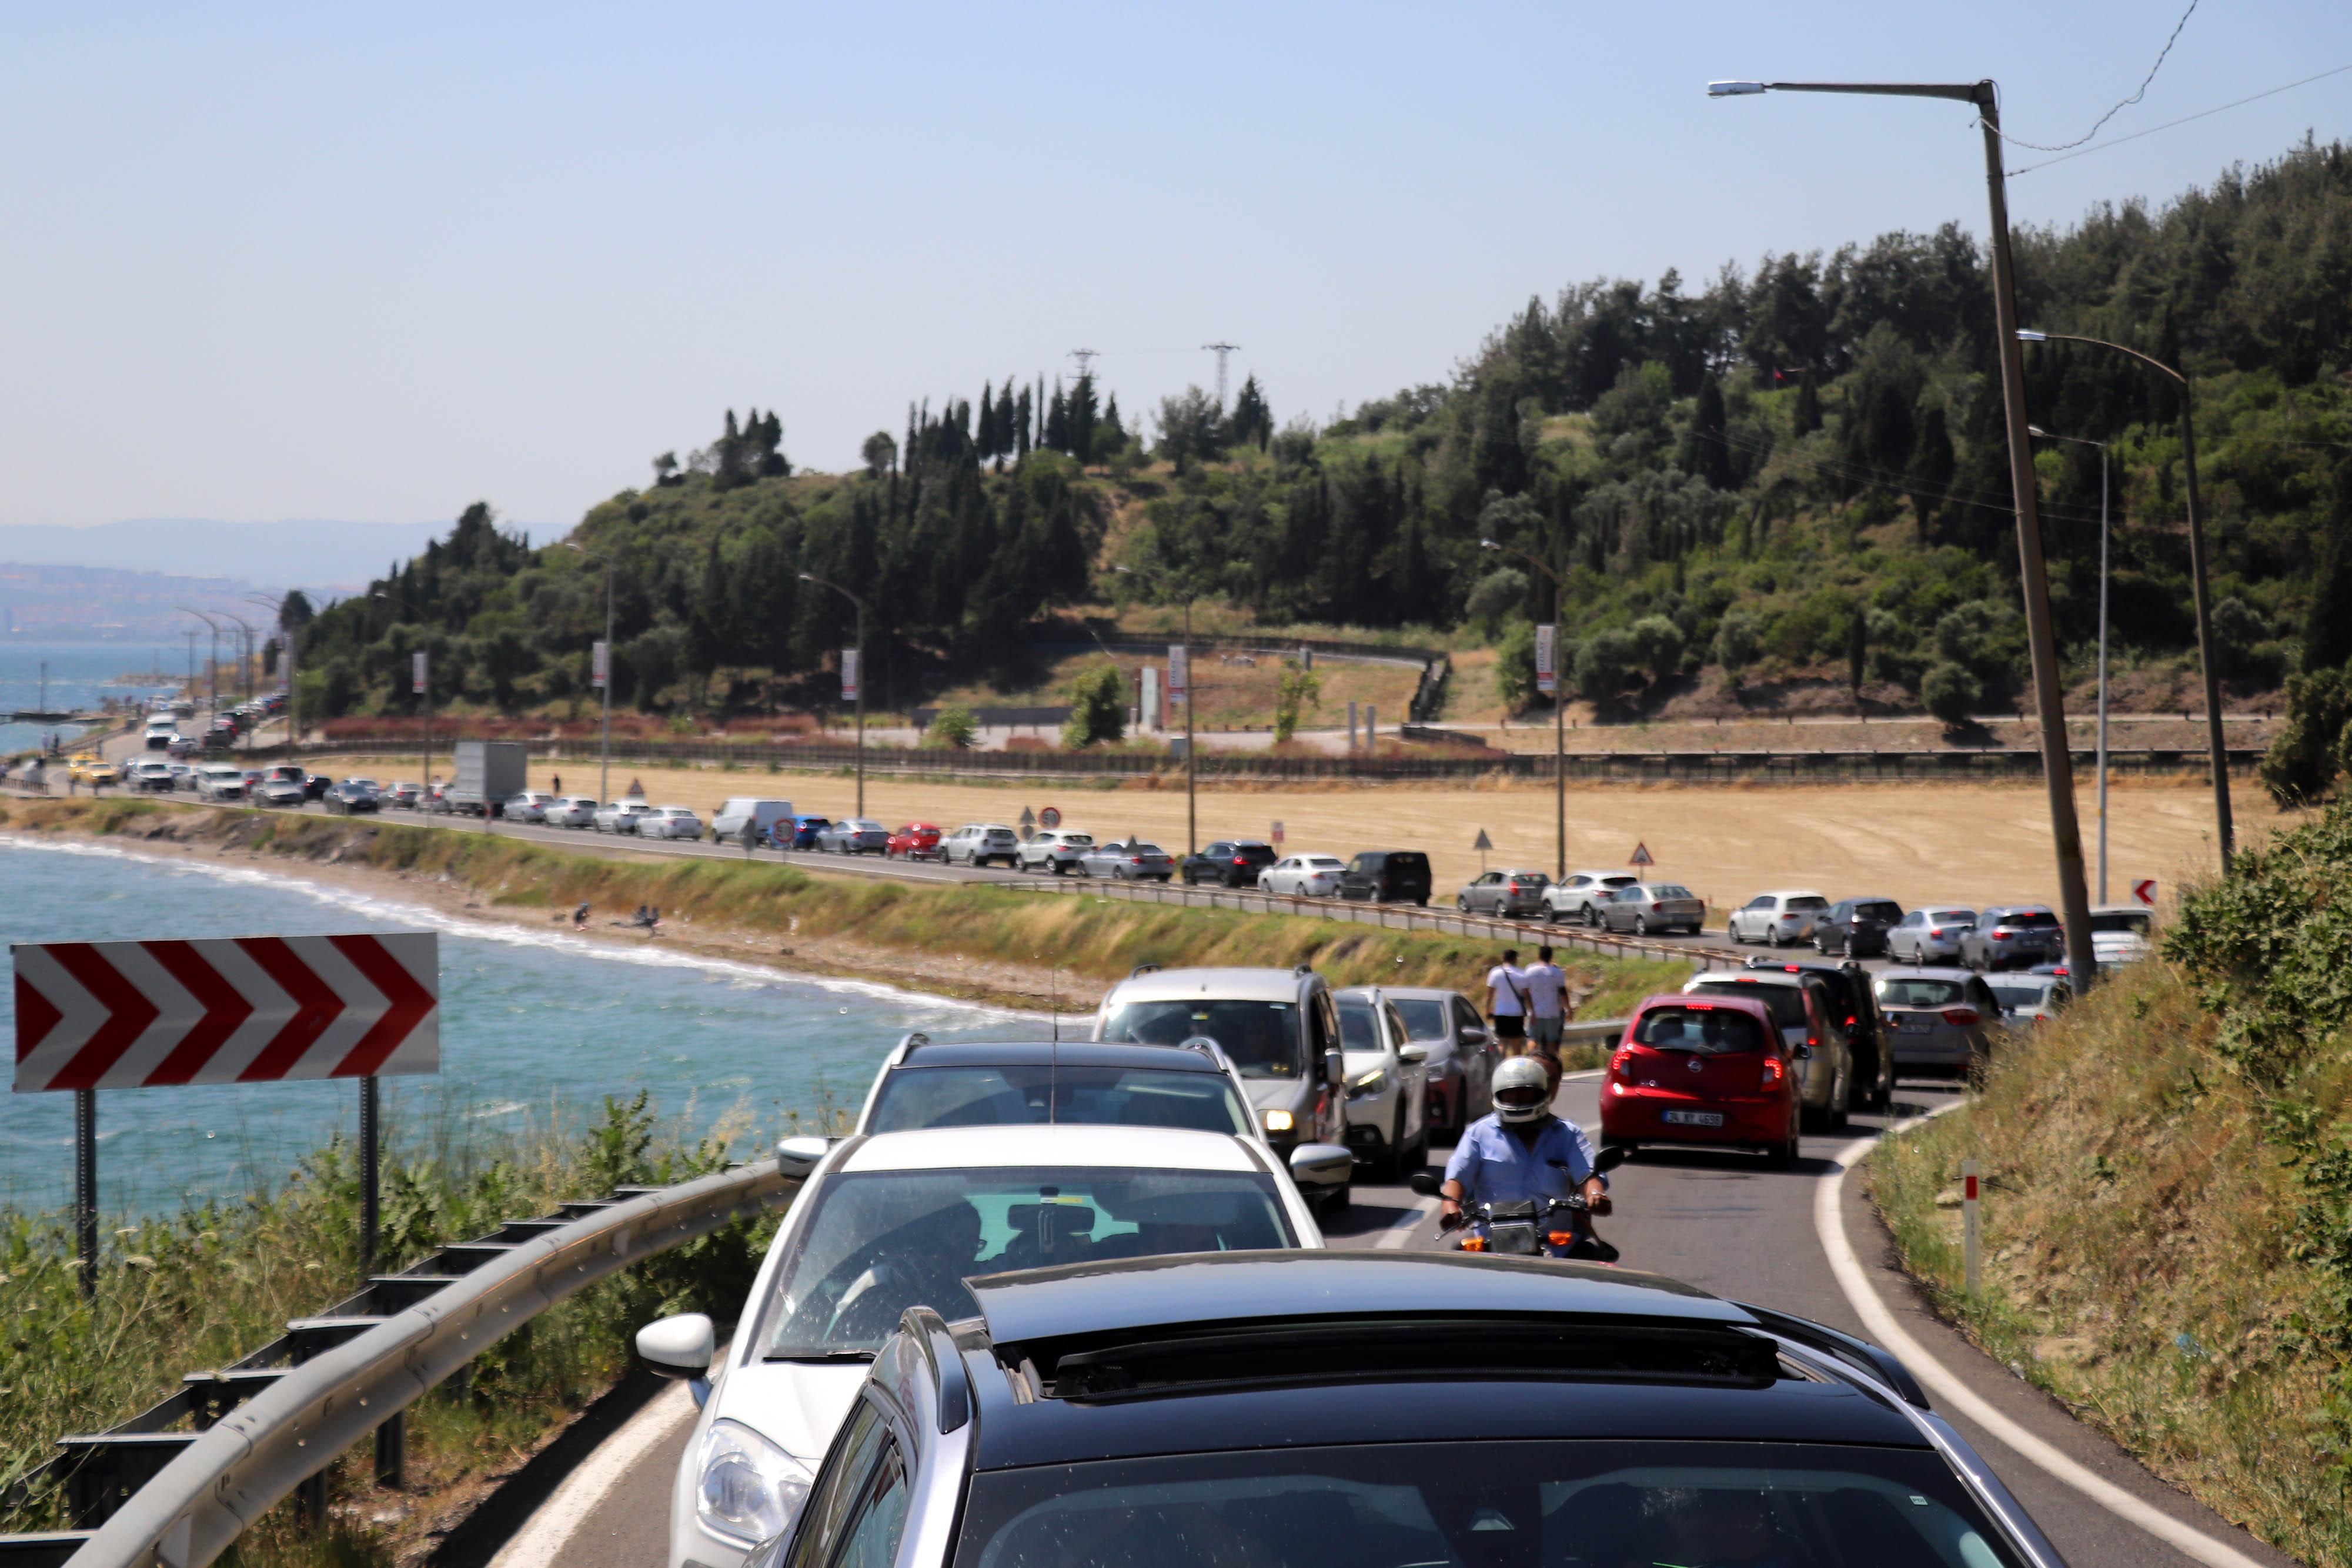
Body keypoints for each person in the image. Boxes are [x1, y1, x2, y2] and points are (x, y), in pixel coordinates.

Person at [1439, 1054, 1608, 1226]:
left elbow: (1587, 1174)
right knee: (1458, 1251)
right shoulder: (1478, 1134)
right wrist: (1450, 1205)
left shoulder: (1568, 1134)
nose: (1517, 1100)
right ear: (1497, 1094)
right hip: (1491, 1240)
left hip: (1557, 1241)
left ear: (1543, 1093)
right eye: (1511, 1095)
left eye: (1526, 1094)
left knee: (1593, 1253)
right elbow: (1457, 1176)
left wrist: (1595, 1195)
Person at [1522, 945, 1568, 1090]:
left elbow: (1525, 991)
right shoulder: (1556, 972)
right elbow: (1562, 992)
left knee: (1532, 1040)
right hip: (1552, 1013)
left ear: (1539, 956)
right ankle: (1548, 1071)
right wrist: (1569, 1009)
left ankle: (1530, 1067)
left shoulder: (1530, 970)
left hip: (1536, 1013)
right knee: (1551, 1043)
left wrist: (1531, 1010)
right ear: (1551, 957)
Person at [1485, 949, 1529, 1054]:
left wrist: (1488, 1010)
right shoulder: (1521, 974)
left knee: (1502, 1043)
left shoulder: (1495, 973)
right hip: (1516, 1013)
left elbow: (1489, 996)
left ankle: (1500, 1066)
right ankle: (1517, 1069)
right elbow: (1527, 996)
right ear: (1515, 959)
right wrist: (1531, 1012)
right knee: (1516, 1044)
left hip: (1501, 1013)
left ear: (1503, 958)